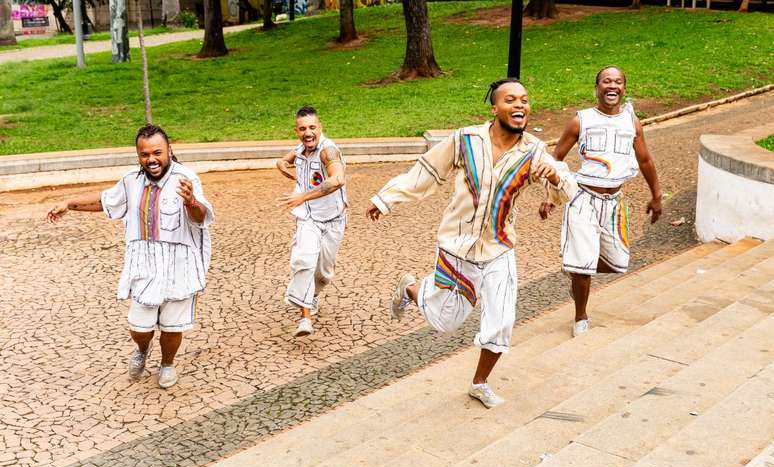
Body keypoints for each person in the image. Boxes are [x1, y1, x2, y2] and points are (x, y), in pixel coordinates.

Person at [365, 79, 577, 408]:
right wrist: (385, 199)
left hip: (499, 250)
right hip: (457, 248)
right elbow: (426, 173)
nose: (519, 105)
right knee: (445, 321)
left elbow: (566, 189)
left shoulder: (533, 150)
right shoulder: (465, 139)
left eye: (524, 100)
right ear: (495, 108)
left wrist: (555, 179)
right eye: (510, 100)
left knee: (502, 321)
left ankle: (479, 383)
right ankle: (410, 289)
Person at [46, 124, 214, 388]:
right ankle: (142, 349)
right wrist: (70, 203)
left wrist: (191, 202)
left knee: (172, 327)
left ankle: (167, 364)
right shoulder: (130, 181)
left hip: (179, 265)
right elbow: (106, 201)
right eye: (144, 154)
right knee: (139, 326)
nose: (151, 160)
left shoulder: (186, 178)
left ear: (169, 150)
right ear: (139, 156)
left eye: (157, 152)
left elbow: (201, 218)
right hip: (144, 265)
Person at [540, 65, 662, 337]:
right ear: (597, 88)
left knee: (618, 262)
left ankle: (575, 267)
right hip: (583, 198)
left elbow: (645, 160)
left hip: (614, 203)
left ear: (624, 89)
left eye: (618, 82)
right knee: (583, 267)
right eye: (606, 81)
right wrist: (551, 197)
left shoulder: (632, 122)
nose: (612, 86)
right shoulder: (580, 120)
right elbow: (555, 158)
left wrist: (657, 195)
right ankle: (581, 316)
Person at [276, 106, 347, 337]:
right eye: (302, 129)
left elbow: (337, 180)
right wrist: (294, 176)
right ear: (297, 131)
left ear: (320, 128)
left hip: (333, 219)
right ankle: (304, 319)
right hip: (308, 217)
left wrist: (302, 194)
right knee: (304, 260)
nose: (308, 132)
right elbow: (282, 162)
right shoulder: (300, 149)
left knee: (324, 274)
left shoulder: (329, 151)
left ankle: (313, 296)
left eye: (312, 127)